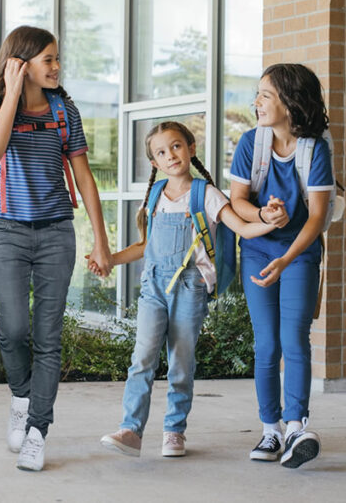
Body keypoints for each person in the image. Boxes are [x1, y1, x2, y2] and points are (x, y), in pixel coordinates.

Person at [94, 121, 282, 458]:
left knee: (180, 361)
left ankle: (174, 432)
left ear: (191, 148)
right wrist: (110, 259)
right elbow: (146, 245)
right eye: (162, 152)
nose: (171, 155)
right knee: (142, 358)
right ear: (154, 163)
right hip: (153, 286)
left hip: (189, 288)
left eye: (176, 146)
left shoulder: (206, 195)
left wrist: (268, 220)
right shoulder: (154, 195)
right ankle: (131, 431)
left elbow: (239, 227)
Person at [0, 25, 112, 472]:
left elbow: (84, 176)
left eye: (57, 59)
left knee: (48, 338)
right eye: (48, 59)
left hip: (56, 232)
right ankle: (20, 397)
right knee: (13, 331)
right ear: (21, 63)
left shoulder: (64, 112)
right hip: (10, 233)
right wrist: (12, 90)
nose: (56, 67)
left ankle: (37, 430)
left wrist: (101, 239)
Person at [228, 63, 334, 469]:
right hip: (257, 250)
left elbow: (317, 218)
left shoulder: (315, 149)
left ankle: (295, 426)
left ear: (290, 102)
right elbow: (237, 200)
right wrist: (263, 216)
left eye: (265, 95)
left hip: (300, 252)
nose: (256, 102)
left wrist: (287, 257)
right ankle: (270, 428)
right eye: (257, 94)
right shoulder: (251, 144)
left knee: (295, 339)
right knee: (267, 343)